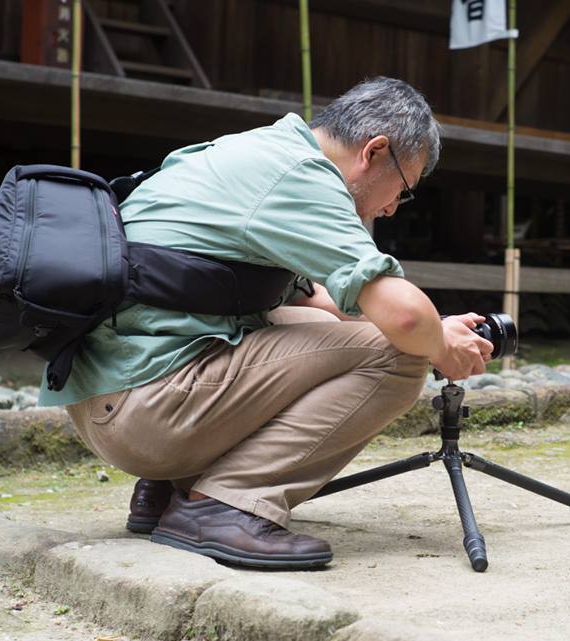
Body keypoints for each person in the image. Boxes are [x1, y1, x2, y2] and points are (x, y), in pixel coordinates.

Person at [41, 77, 494, 569]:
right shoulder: (299, 176)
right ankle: (224, 504)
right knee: (401, 353)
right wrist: (435, 345)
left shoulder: (251, 151)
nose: (389, 208)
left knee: (303, 318)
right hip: (147, 411)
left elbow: (322, 303)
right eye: (403, 190)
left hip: (108, 401)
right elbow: (403, 318)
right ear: (375, 151)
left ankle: (175, 489)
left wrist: (438, 325)